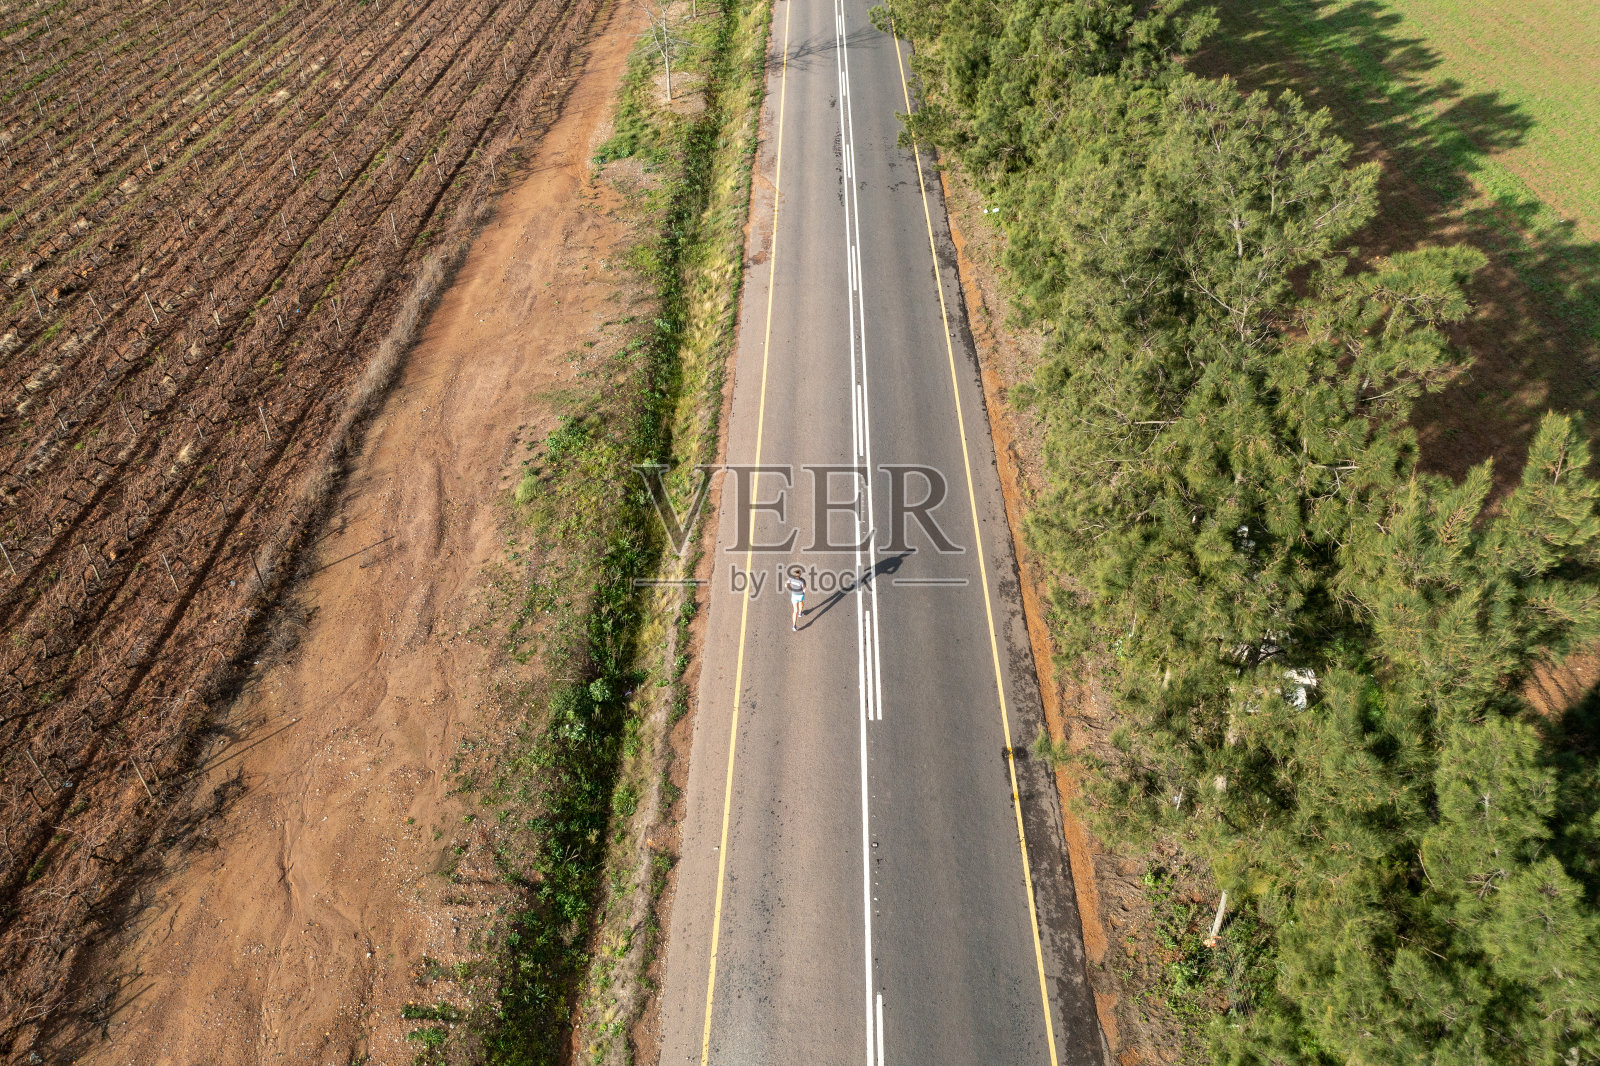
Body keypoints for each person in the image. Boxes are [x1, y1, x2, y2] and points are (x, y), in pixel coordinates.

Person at [787, 566, 806, 631]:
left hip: (794, 595)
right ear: (800, 575)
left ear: (795, 574)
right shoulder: (802, 580)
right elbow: (804, 588)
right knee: (801, 602)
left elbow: (787, 584)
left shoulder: (791, 578)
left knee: (795, 610)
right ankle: (800, 612)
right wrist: (803, 591)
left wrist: (791, 587)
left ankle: (794, 626)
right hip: (800, 595)